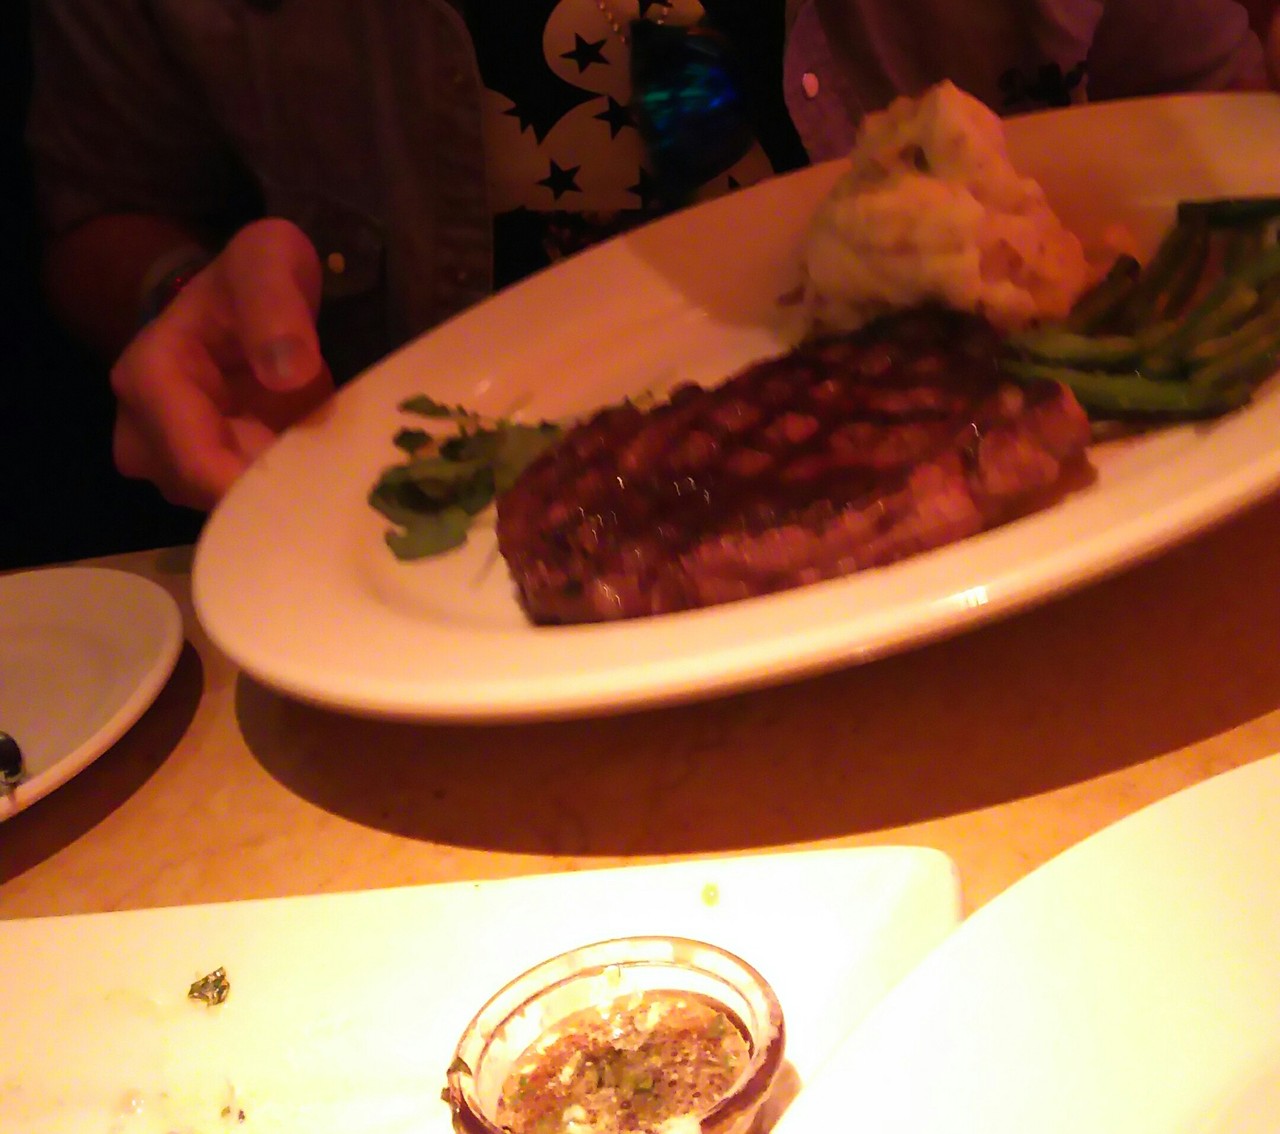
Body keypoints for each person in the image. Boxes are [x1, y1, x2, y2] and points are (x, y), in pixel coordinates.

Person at [28, 0, 1274, 513]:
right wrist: (176, 300)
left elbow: (1224, 132)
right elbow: (101, 206)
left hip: (1104, 526)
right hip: (447, 625)